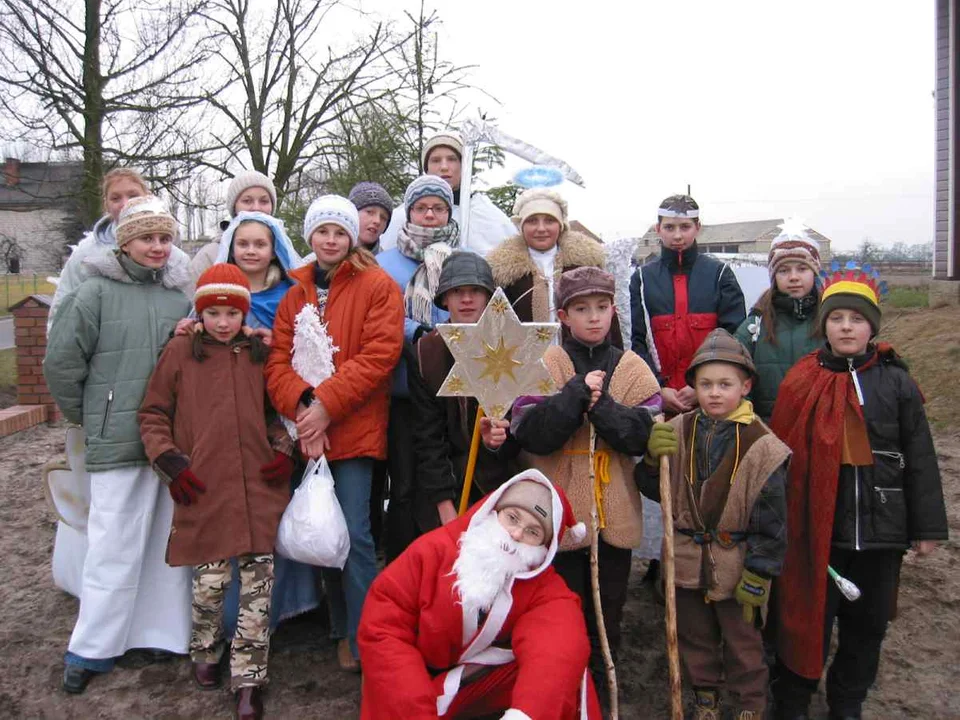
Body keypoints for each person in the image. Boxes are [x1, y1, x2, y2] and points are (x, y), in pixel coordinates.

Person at [769, 265, 948, 720]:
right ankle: (793, 700)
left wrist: (927, 528)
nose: (846, 327)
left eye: (856, 319)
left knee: (867, 626)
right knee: (804, 618)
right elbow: (778, 461)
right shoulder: (800, 380)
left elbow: (921, 457)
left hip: (881, 532)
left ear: (872, 325)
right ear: (823, 324)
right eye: (836, 318)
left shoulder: (897, 382)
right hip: (816, 531)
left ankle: (847, 702)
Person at [43, 196, 194, 694]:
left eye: (165, 238)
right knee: (112, 543)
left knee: (163, 544)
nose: (158, 247)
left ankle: (159, 634)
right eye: (148, 237)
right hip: (116, 439)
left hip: (168, 441)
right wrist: (91, 418)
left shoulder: (178, 297)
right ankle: (93, 646)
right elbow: (63, 364)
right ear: (125, 241)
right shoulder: (93, 292)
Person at [139, 264, 294, 720]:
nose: (222, 323)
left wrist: (283, 447)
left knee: (257, 587)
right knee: (209, 582)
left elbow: (276, 410)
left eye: (231, 313)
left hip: (256, 488)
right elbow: (152, 413)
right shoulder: (181, 352)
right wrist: (169, 461)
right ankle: (205, 649)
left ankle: (249, 679)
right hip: (204, 488)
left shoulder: (256, 354)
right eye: (214, 313)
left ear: (243, 314)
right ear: (201, 313)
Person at [265, 194, 404, 672]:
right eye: (322, 230)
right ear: (311, 236)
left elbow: (379, 356)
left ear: (352, 237)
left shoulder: (378, 285)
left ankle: (365, 638)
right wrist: (306, 409)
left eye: (339, 232)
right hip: (309, 431)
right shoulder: (294, 292)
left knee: (357, 537)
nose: (330, 239)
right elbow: (277, 362)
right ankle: (338, 626)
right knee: (322, 531)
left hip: (356, 430)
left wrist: (326, 406)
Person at [511, 266, 661, 701]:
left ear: (613, 311)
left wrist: (602, 407)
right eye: (581, 309)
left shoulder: (632, 367)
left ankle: (601, 686)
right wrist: (574, 395)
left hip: (614, 501)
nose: (593, 317)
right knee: (563, 607)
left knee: (609, 605)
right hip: (559, 508)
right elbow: (533, 433)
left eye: (601, 307)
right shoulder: (548, 362)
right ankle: (565, 688)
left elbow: (641, 434)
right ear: (564, 315)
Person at [357, 469, 602, 719]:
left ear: (544, 548)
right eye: (513, 518)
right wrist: (415, 708)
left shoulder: (544, 586)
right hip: (412, 678)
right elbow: (383, 627)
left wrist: (526, 714)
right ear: (494, 511)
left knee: (571, 673)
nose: (516, 534)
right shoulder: (432, 551)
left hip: (471, 679)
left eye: (533, 532)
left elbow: (559, 644)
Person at [637, 329, 791, 720]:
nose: (715, 393)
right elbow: (654, 491)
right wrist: (654, 461)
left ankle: (749, 708)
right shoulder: (677, 430)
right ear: (693, 387)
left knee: (743, 645)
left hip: (737, 564)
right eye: (706, 384)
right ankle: (706, 702)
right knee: (695, 639)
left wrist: (760, 571)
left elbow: (771, 518)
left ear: (746, 385)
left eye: (726, 384)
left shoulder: (763, 444)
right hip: (686, 562)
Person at [377, 174, 461, 560]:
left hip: (451, 389)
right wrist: (421, 332)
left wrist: (443, 333)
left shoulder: (462, 256)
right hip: (401, 389)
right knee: (405, 484)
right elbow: (379, 316)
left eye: (438, 208)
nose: (430, 215)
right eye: (421, 208)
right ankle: (401, 562)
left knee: (444, 480)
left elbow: (468, 305)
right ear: (409, 212)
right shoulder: (384, 263)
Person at [408, 252, 518, 533]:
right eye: (457, 291)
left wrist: (496, 442)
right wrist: (446, 507)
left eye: (475, 291)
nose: (466, 299)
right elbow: (427, 438)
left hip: (499, 486)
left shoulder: (513, 348)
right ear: (444, 298)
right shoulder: (425, 352)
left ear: (488, 297)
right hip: (446, 486)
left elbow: (519, 430)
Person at [630, 194, 746, 415]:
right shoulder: (642, 279)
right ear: (658, 228)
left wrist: (701, 385)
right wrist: (656, 389)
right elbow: (637, 340)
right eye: (670, 227)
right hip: (660, 403)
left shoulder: (720, 275)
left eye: (685, 227)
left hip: (712, 402)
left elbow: (734, 338)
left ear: (697, 227)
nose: (677, 235)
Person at [734, 222, 823, 421]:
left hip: (817, 430)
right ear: (774, 277)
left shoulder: (829, 321)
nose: (793, 277)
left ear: (814, 273)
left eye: (802, 269)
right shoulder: (755, 324)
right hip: (767, 432)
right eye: (783, 271)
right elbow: (734, 372)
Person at [380, 130, 515, 256]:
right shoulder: (402, 216)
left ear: (464, 165)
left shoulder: (489, 217)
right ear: (426, 168)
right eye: (436, 160)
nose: (444, 167)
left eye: (452, 159)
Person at [48, 167, 151, 331]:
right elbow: (63, 306)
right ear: (106, 205)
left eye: (133, 196)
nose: (125, 204)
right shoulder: (86, 254)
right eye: (116, 198)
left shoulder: (167, 251)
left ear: (147, 198)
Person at [487, 187, 607, 325]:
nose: (541, 228)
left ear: (560, 225)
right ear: (521, 226)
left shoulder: (586, 267)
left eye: (549, 221)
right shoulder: (503, 274)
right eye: (532, 221)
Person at [190, 170, 278, 282]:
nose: (256, 208)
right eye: (247, 201)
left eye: (264, 201)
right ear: (234, 207)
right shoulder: (210, 255)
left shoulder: (285, 255)